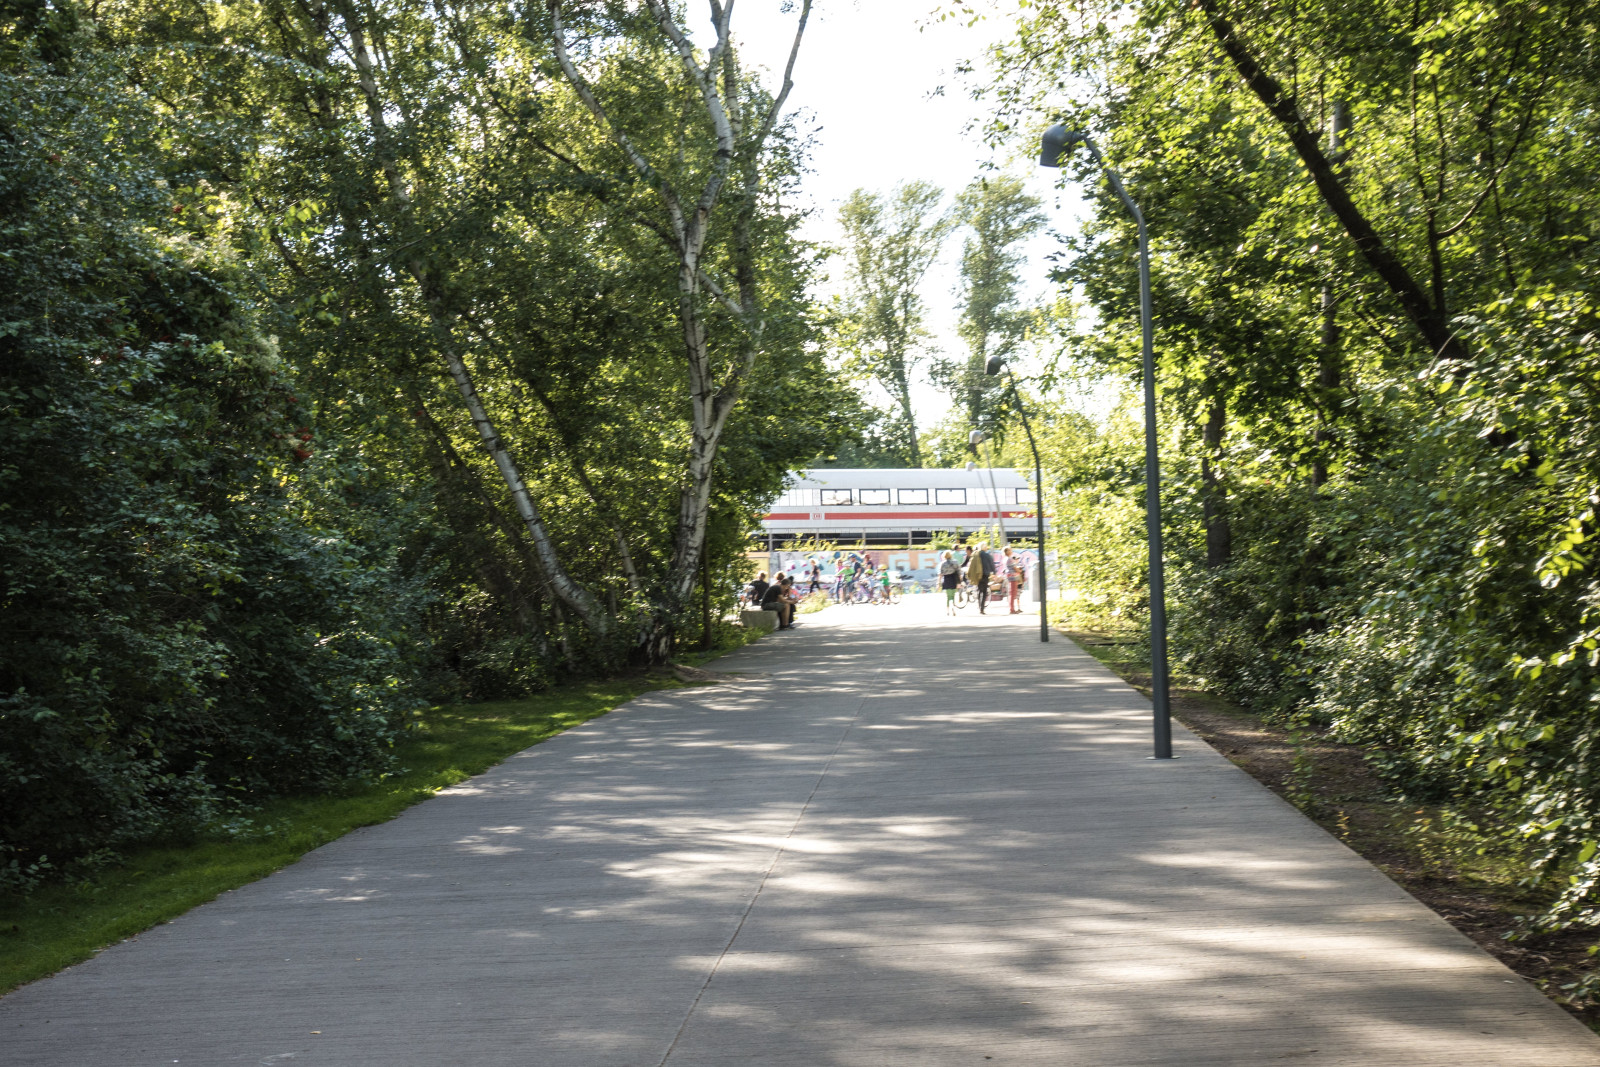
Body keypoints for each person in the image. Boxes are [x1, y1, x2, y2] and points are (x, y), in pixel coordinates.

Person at [1003, 546, 1025, 614]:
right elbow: (1014, 568)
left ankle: (1012, 608)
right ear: (1007, 552)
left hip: (1010, 576)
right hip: (1013, 577)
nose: (1011, 551)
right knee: (1013, 593)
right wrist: (1020, 571)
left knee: (1011, 593)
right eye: (1010, 550)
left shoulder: (1005, 559)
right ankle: (1012, 609)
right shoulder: (1009, 559)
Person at [938, 550, 960, 615]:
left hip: (946, 579)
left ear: (944, 556)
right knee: (953, 595)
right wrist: (959, 582)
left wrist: (939, 583)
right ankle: (953, 607)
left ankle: (947, 611)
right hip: (954, 579)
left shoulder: (942, 564)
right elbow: (959, 572)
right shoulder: (955, 562)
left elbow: (940, 574)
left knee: (948, 596)